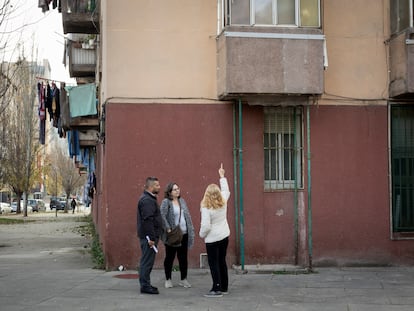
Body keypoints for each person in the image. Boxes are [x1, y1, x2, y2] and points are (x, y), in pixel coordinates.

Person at [199, 163, 231, 298]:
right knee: (222, 261)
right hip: (224, 236)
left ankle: (216, 288)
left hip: (212, 239)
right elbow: (226, 190)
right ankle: (224, 287)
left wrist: (202, 235)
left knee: (214, 263)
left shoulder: (206, 207)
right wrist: (222, 176)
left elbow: (205, 226)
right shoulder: (223, 201)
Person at [160, 182, 195, 289]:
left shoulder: (182, 201)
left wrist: (191, 229)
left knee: (183, 257)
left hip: (184, 233)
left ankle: (183, 279)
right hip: (173, 234)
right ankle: (168, 279)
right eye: (175, 189)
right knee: (170, 257)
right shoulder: (166, 202)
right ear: (169, 192)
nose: (177, 191)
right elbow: (161, 215)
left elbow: (187, 216)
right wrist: (168, 228)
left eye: (178, 189)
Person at [137, 176, 163, 295]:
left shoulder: (149, 199)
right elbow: (147, 220)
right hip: (148, 238)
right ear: (151, 187)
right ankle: (145, 286)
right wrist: (151, 238)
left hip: (149, 237)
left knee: (147, 261)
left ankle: (146, 284)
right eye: (157, 185)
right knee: (147, 261)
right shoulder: (147, 201)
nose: (159, 187)